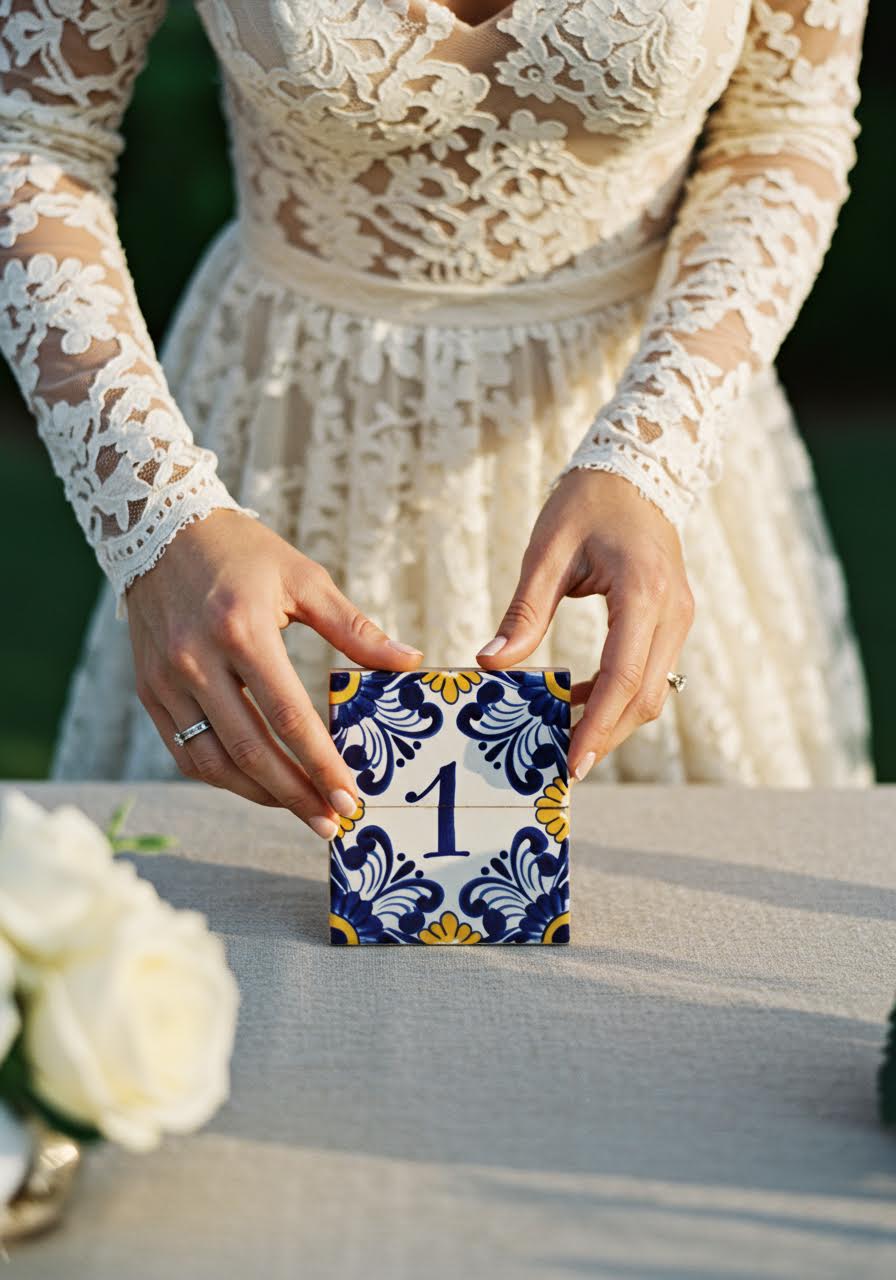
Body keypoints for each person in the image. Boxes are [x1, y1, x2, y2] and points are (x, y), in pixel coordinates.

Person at [0, 0, 875, 840]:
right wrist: (157, 519)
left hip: (651, 430)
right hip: (277, 448)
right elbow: (33, 142)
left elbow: (783, 131)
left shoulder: (658, 444)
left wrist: (655, 449)